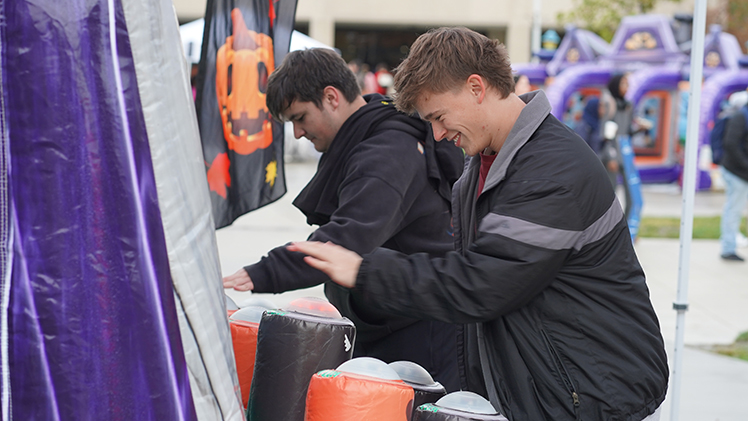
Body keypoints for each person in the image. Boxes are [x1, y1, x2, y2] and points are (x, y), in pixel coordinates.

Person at [289, 27, 668, 421]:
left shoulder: (552, 171)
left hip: (597, 399)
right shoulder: (482, 163)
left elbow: (482, 283)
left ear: (476, 87)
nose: (436, 133)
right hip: (550, 394)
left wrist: (364, 269)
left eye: (438, 116)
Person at [222, 48, 464, 391]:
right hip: (389, 321)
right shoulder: (366, 136)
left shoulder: (386, 151)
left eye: (299, 118)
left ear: (331, 97)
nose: (297, 134)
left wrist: (261, 272)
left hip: (419, 331)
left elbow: (345, 239)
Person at [719, 88, 748, 262]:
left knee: (734, 209)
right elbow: (731, 144)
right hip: (737, 172)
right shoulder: (741, 116)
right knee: (733, 209)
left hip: (739, 171)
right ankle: (728, 248)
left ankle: (729, 245)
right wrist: (745, 165)